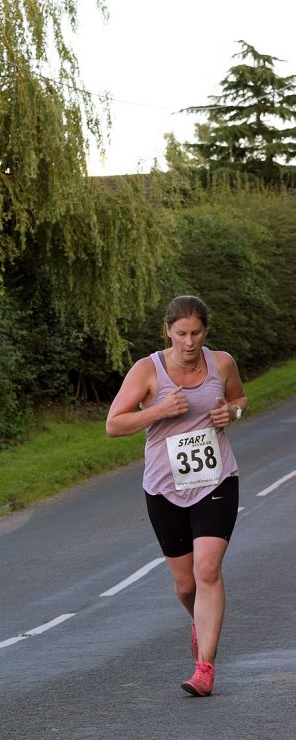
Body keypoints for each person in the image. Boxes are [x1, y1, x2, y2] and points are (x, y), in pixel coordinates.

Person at [105, 294, 247, 697]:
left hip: (216, 481)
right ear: (167, 330)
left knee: (207, 571)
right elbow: (114, 425)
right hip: (165, 488)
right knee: (186, 586)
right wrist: (158, 410)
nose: (189, 342)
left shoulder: (221, 362)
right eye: (181, 333)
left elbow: (239, 400)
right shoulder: (147, 370)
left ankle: (205, 666)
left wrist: (231, 414)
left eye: (196, 333)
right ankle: (199, 621)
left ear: (206, 330)